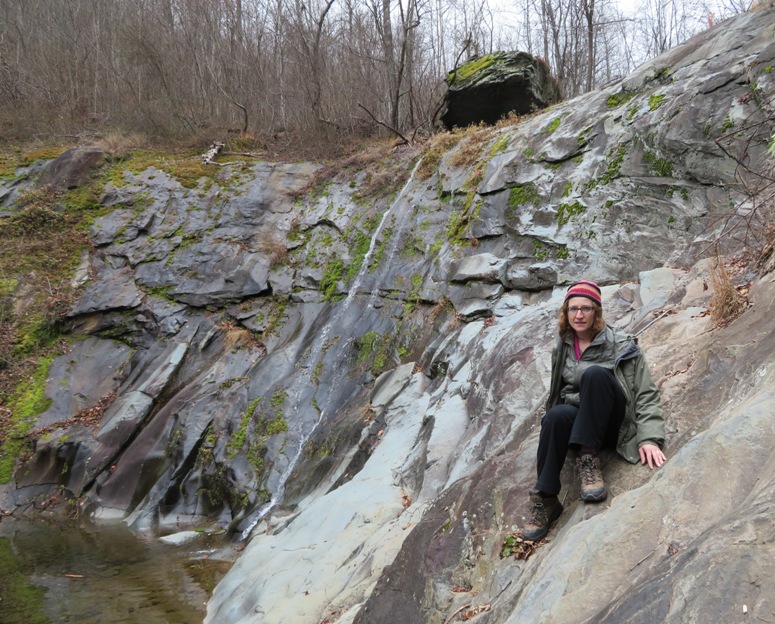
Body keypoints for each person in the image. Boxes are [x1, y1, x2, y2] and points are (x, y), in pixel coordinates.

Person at [523, 280, 666, 541]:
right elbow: (557, 395)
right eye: (573, 309)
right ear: (566, 313)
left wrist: (649, 437)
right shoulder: (563, 346)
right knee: (555, 416)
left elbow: (646, 392)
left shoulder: (622, 345)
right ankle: (546, 498)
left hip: (612, 423)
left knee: (596, 375)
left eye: (586, 309)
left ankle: (588, 461)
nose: (579, 315)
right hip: (579, 422)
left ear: (597, 312)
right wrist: (552, 434)